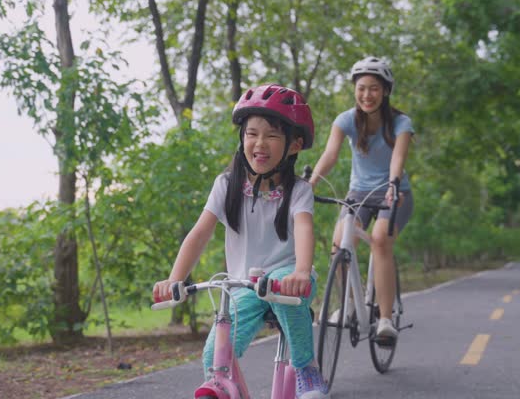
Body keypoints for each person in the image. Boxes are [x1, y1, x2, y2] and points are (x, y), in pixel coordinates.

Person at [152, 84, 329, 399]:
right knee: (214, 358)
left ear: (294, 145)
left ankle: (306, 368)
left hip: (289, 282)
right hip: (243, 287)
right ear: (242, 138)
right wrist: (175, 278)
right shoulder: (226, 185)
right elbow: (200, 232)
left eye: (272, 136)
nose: (260, 143)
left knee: (278, 284)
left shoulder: (298, 191)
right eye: (252, 134)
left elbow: (304, 228)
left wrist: (301, 271)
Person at [309, 56, 414, 342]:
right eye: (362, 88)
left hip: (395, 193)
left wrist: (393, 183)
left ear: (386, 91)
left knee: (380, 239)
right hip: (358, 194)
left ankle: (384, 319)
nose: (367, 95)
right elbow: (330, 155)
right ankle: (349, 305)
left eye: (374, 88)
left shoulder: (401, 123)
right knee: (340, 243)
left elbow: (398, 159)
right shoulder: (345, 120)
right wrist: (312, 182)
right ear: (355, 90)